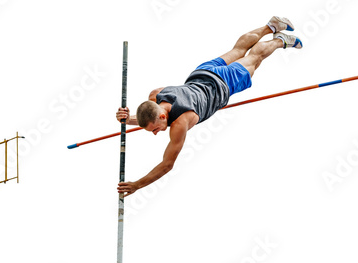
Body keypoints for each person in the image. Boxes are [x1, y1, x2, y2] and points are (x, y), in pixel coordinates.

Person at [116, 16, 302, 196]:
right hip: (201, 72)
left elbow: (167, 165)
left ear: (163, 117)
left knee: (255, 57)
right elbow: (148, 112)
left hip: (224, 83)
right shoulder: (155, 96)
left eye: (155, 129)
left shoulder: (181, 123)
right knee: (238, 49)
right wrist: (128, 119)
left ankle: (279, 40)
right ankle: (271, 25)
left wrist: (136, 185)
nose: (156, 133)